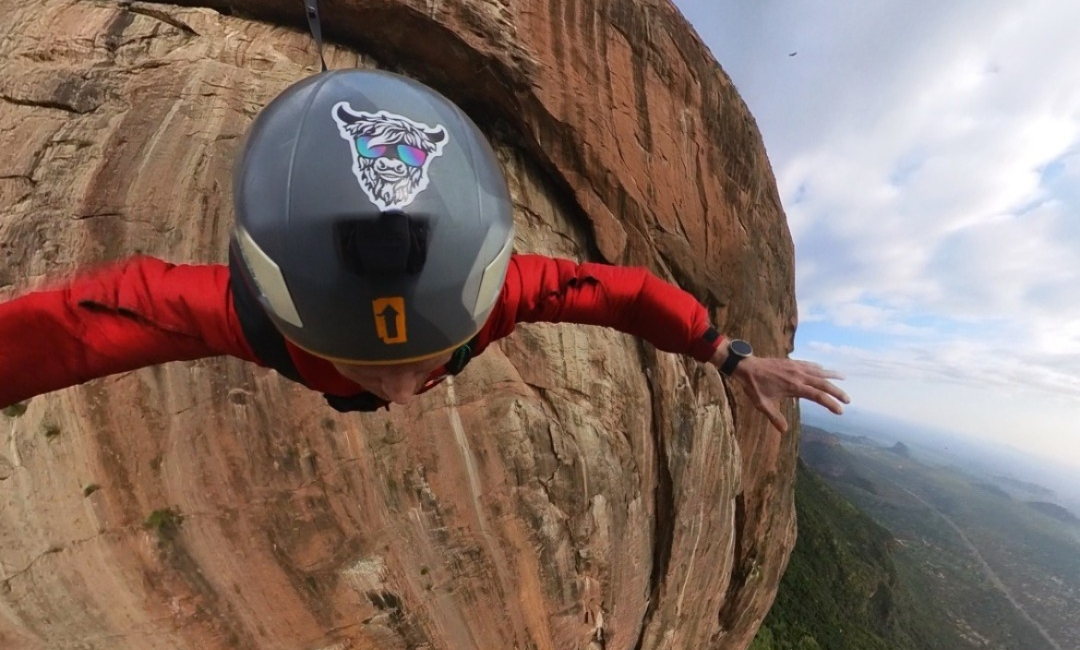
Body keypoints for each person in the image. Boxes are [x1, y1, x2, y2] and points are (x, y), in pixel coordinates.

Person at [0, 69, 848, 433]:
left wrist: (730, 356)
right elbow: (77, 328)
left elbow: (621, 294)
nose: (404, 397)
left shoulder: (495, 293)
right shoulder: (252, 316)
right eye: (371, 371)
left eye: (418, 364)